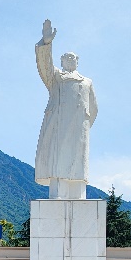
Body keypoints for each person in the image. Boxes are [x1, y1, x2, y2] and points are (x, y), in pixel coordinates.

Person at [34, 18, 97, 201]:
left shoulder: (87, 82)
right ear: (61, 61)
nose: (70, 60)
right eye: (66, 57)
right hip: (58, 126)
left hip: (78, 129)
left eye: (73, 57)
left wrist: (83, 125)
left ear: (78, 61)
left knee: (78, 164)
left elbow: (94, 108)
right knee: (58, 163)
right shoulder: (56, 78)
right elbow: (44, 66)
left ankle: (78, 194)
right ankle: (58, 193)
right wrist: (46, 43)